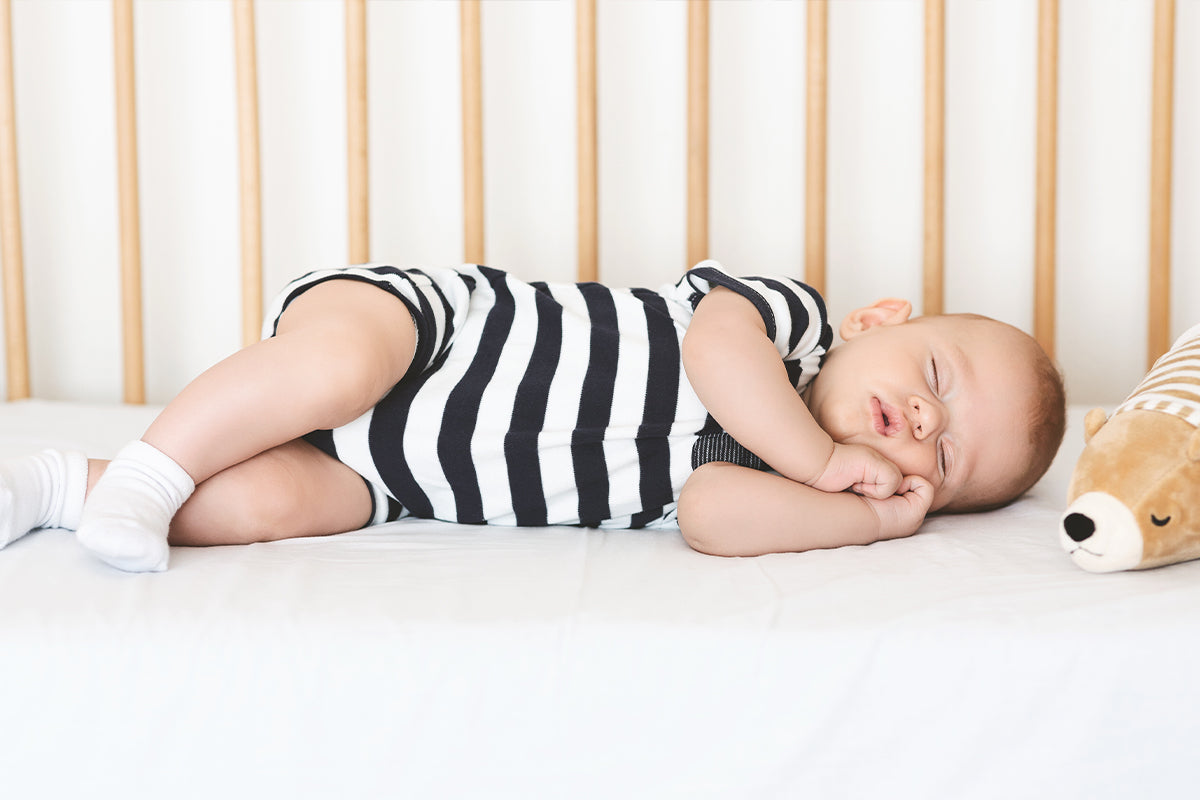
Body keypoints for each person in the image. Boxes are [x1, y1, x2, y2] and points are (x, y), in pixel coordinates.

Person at [0, 260, 1066, 572]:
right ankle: (151, 466)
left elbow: (706, 513)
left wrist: (866, 518)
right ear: (883, 317)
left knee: (280, 501)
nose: (923, 416)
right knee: (327, 370)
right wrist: (828, 453)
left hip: (401, 477)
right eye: (936, 370)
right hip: (430, 332)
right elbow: (714, 352)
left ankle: (61, 484)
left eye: (945, 452)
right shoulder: (787, 324)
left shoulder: (787, 486)